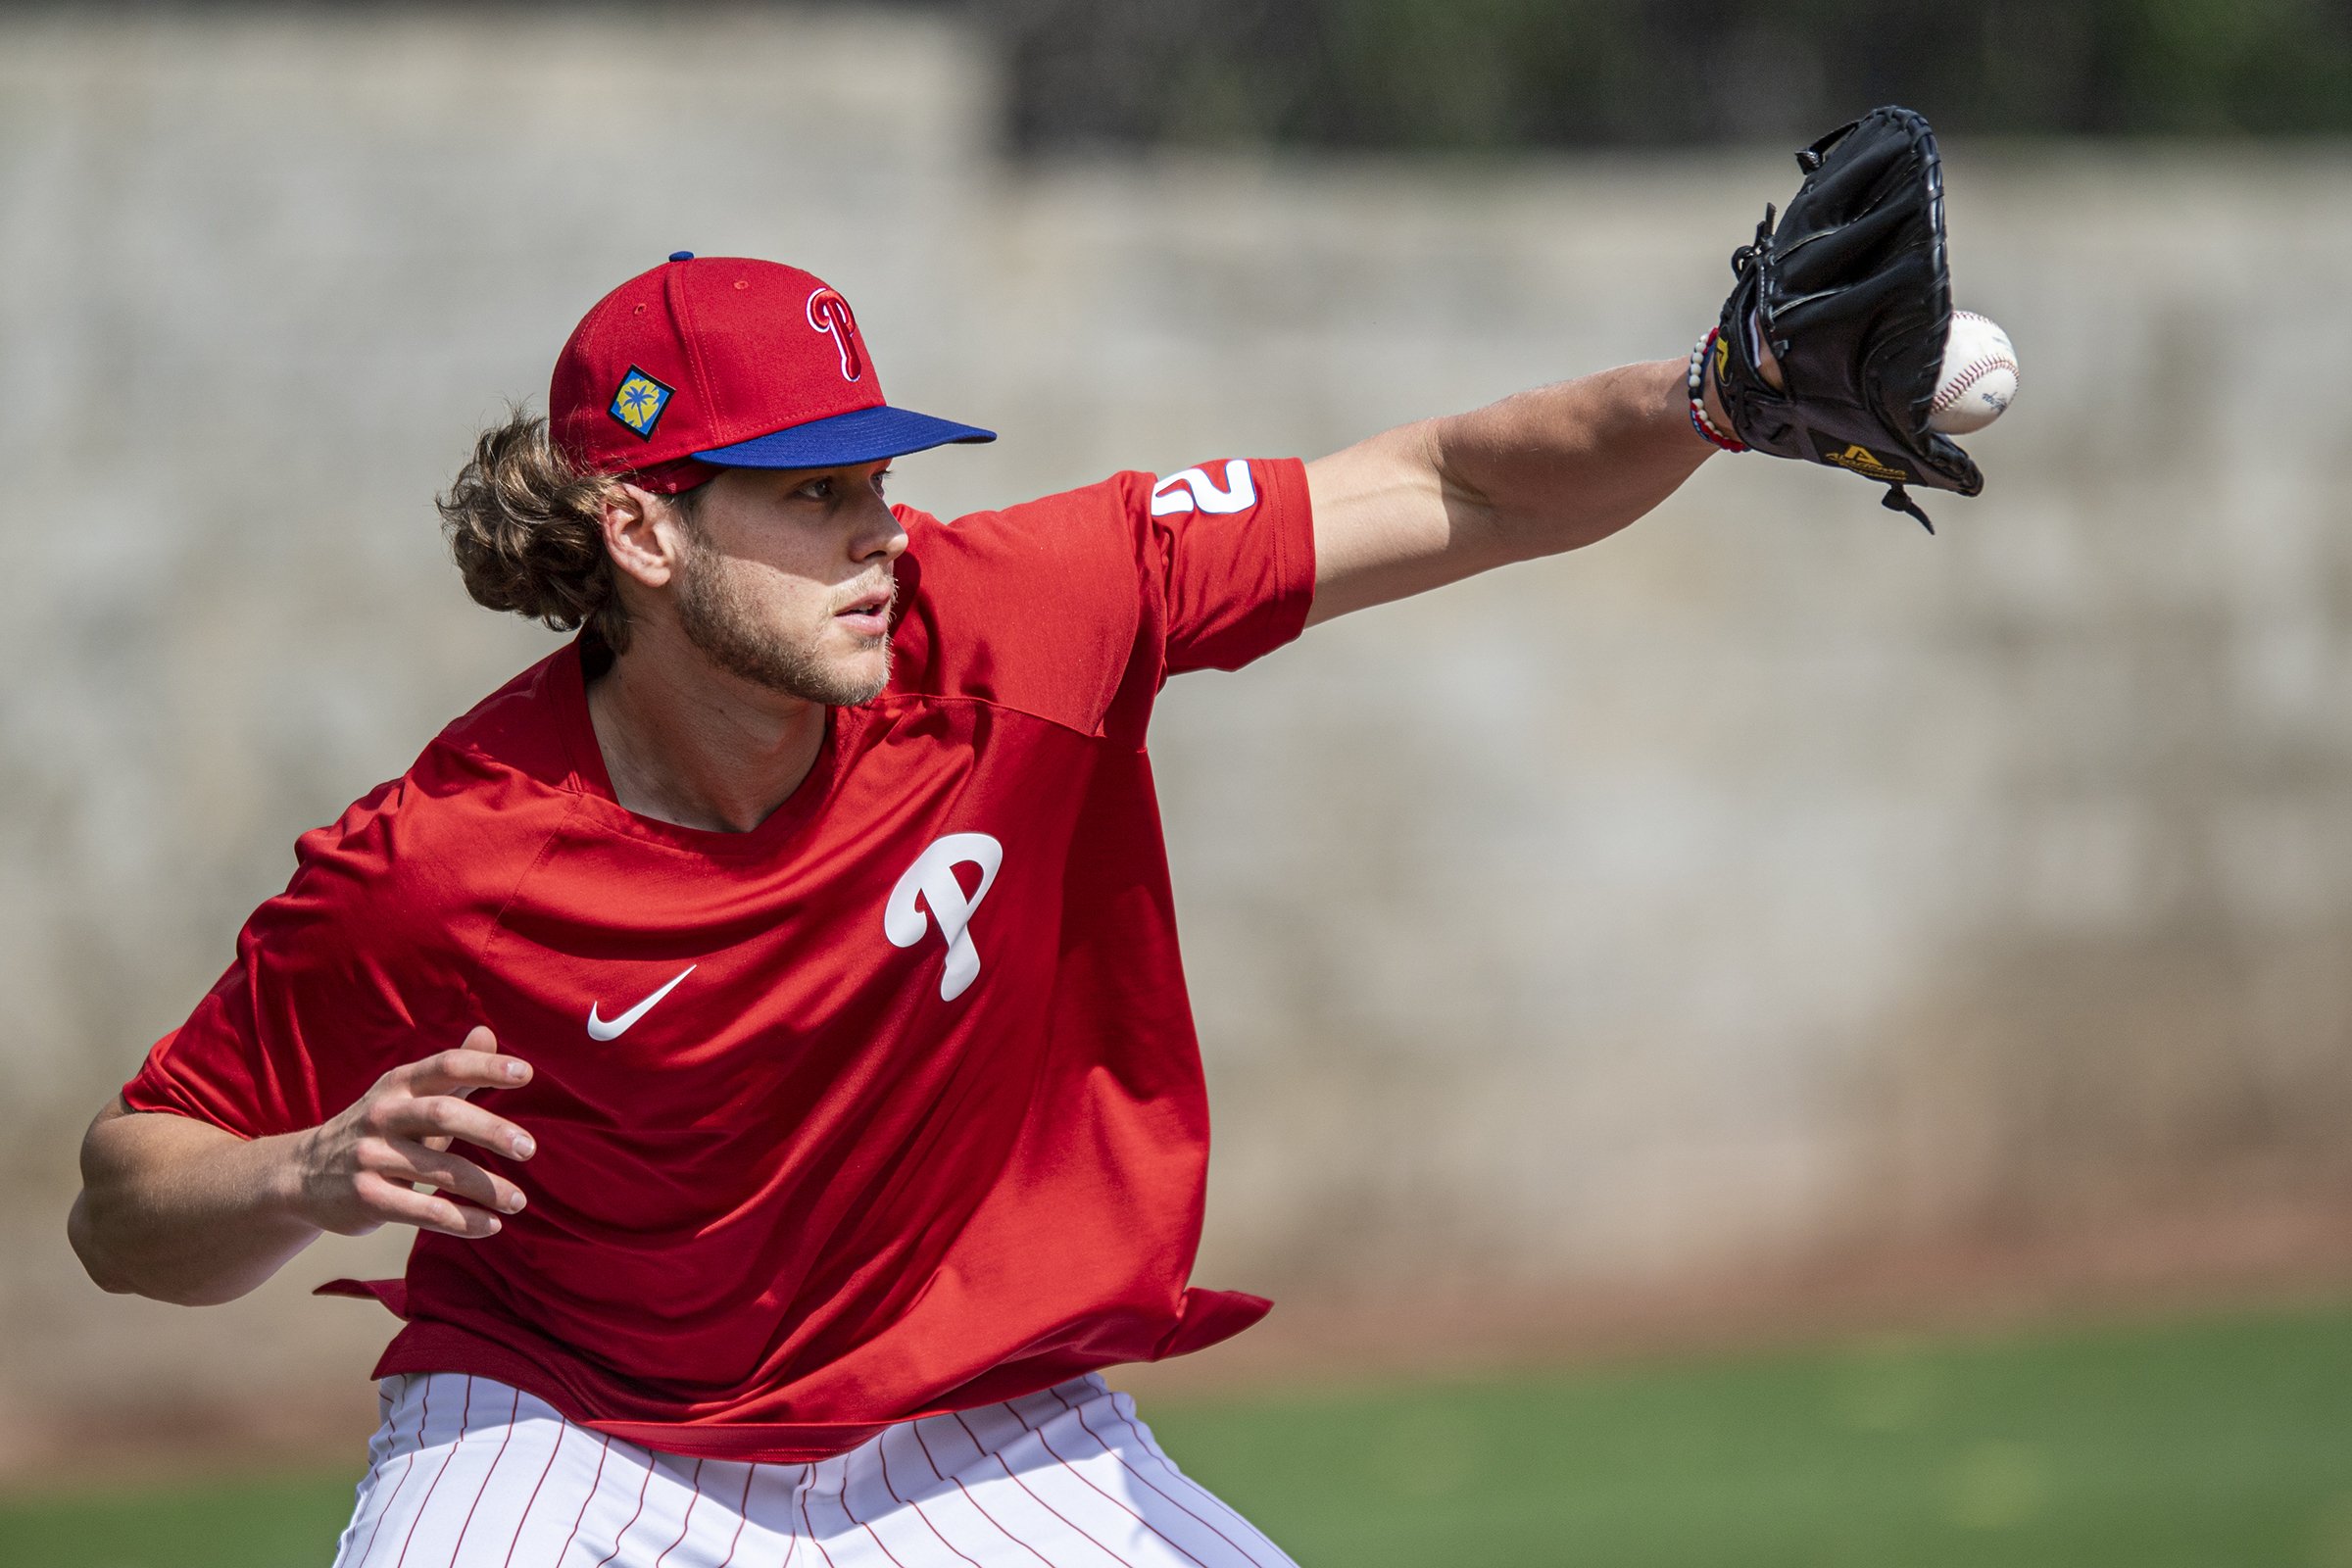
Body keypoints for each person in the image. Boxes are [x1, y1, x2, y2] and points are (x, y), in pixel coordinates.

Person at [65, 248, 1746, 1567]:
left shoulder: (1016, 617)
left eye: (876, 475)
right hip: (564, 1432)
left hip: (966, 1419)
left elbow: (1459, 483)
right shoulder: (446, 858)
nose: (881, 532)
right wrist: (303, 1172)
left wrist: (1719, 395)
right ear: (645, 527)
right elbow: (122, 1208)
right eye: (814, 493)